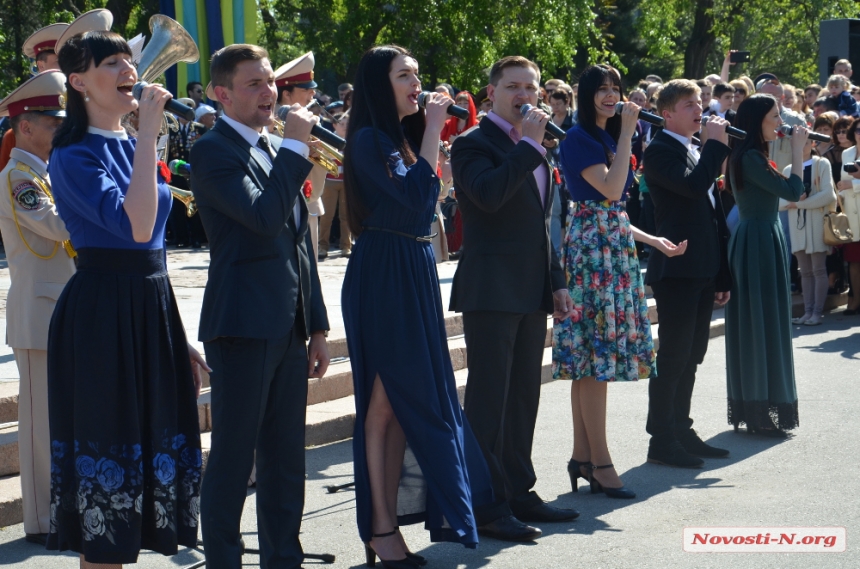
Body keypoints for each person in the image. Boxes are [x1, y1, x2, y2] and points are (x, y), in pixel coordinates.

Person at [47, 27, 208, 566]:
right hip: (101, 316)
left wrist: (177, 337)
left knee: (145, 477)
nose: (127, 71)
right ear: (78, 82)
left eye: (127, 59)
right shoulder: (71, 155)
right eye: (111, 62)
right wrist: (148, 136)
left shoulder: (132, 142)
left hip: (148, 307)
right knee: (107, 492)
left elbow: (154, 254)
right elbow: (137, 227)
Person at [340, 44, 492, 568]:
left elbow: (422, 199)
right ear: (379, 85)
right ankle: (380, 528)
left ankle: (385, 526)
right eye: (405, 74)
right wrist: (431, 131)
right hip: (385, 272)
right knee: (385, 406)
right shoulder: (367, 138)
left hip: (410, 266)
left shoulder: (395, 140)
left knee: (402, 407)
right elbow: (417, 199)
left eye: (418, 73)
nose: (417, 83)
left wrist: (426, 139)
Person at [190, 44, 330, 569]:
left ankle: (282, 557)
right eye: (255, 84)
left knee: (285, 457)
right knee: (232, 456)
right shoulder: (213, 151)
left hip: (288, 325)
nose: (270, 92)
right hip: (243, 323)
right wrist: (295, 149)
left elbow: (299, 244)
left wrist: (316, 326)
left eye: (270, 81)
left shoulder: (275, 146)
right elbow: (263, 218)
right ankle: (224, 559)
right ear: (222, 94)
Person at [450, 55, 579, 542]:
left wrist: (557, 280)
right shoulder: (472, 143)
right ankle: (486, 503)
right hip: (491, 287)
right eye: (513, 87)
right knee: (490, 400)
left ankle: (519, 491)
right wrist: (527, 146)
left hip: (531, 286)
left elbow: (542, 223)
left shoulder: (536, 146)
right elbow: (486, 196)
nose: (524, 95)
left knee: (523, 397)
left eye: (532, 87)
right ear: (492, 93)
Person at [554, 64, 686, 499]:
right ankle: (600, 462)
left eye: (617, 88)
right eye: (603, 90)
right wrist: (629, 131)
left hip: (609, 243)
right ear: (586, 95)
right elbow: (609, 193)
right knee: (594, 360)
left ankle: (581, 456)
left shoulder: (606, 137)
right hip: (593, 252)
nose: (612, 96)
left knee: (590, 363)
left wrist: (653, 240)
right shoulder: (578, 139)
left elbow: (614, 210)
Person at [0, 70, 76, 547]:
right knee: (37, 428)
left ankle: (59, 509)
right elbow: (60, 227)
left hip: (60, 308)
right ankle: (41, 520)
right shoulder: (17, 177)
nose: (61, 131)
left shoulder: (43, 174)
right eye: (53, 123)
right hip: (38, 314)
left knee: (59, 419)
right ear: (26, 126)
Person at [642, 79, 732, 468]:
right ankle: (661, 437)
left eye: (700, 101)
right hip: (676, 270)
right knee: (675, 355)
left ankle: (681, 427)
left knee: (692, 355)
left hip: (702, 268)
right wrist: (716, 145)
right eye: (689, 105)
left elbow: (712, 217)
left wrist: (722, 275)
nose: (700, 109)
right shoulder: (660, 151)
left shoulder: (695, 150)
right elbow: (695, 189)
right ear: (667, 114)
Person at [725, 94, 808, 437]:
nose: (780, 121)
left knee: (766, 322)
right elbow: (792, 191)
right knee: (758, 323)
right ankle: (758, 411)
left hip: (763, 237)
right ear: (757, 120)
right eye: (774, 116)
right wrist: (800, 151)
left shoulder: (755, 155)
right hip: (757, 240)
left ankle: (762, 405)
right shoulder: (748, 158)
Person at [778, 136, 837, 325]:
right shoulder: (788, 169)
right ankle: (807, 311)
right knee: (804, 271)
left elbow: (828, 195)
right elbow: (779, 202)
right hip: (798, 227)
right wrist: (795, 203)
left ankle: (817, 313)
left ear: (812, 143)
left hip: (817, 224)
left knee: (818, 269)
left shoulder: (822, 163)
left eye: (804, 141)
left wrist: (799, 204)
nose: (800, 146)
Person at [274, 52, 327, 260]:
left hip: (310, 201)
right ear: (287, 94)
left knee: (310, 275)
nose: (312, 95)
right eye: (306, 90)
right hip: (284, 208)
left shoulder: (312, 120)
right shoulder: (270, 123)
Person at [0, 22, 68, 171]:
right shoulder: (14, 130)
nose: (66, 67)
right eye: (59, 61)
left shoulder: (84, 108)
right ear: (41, 66)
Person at [318, 111, 351, 258]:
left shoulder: (353, 140)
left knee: (346, 216)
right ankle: (322, 246)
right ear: (334, 125)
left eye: (347, 124)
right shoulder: (328, 139)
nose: (345, 127)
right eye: (342, 124)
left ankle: (346, 246)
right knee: (327, 216)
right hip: (330, 181)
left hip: (346, 182)